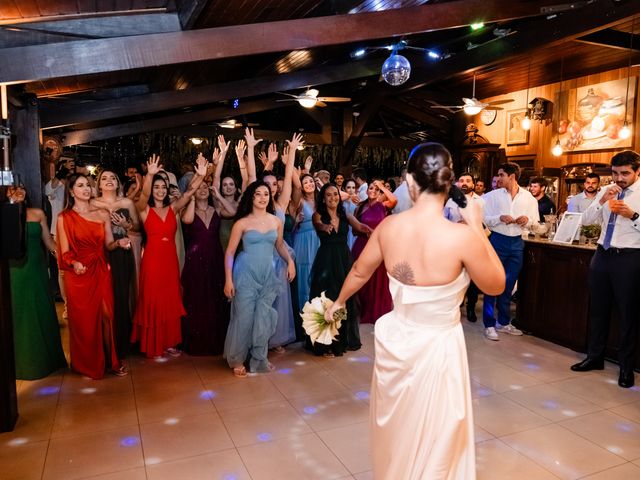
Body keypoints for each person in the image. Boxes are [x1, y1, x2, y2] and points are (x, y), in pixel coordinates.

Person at [325, 142, 504, 480]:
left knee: (398, 427)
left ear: (409, 181)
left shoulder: (389, 229)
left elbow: (360, 272)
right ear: (449, 183)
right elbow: (496, 286)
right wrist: (477, 228)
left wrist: (336, 304)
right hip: (439, 348)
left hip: (397, 342)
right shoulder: (461, 237)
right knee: (438, 431)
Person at [570, 150, 640, 388]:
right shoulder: (604, 190)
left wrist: (633, 215)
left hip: (629, 257)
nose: (619, 178)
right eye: (615, 173)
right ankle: (594, 357)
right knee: (597, 309)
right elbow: (587, 222)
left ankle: (626, 368)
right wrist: (600, 201)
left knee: (627, 314)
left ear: (637, 172)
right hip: (602, 255)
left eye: (625, 173)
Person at [131, 154, 208, 359]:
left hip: (170, 260)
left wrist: (201, 175)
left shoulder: (173, 208)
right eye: (157, 187)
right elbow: (143, 194)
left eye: (163, 187)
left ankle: (170, 342)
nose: (160, 190)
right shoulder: (145, 210)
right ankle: (154, 343)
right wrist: (150, 175)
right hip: (153, 260)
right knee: (153, 300)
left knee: (171, 299)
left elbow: (190, 191)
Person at [57, 174, 130, 378]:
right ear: (72, 191)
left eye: (88, 185)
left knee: (107, 315)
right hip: (78, 274)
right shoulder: (65, 217)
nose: (86, 188)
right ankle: (87, 363)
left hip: (100, 268)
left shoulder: (102, 213)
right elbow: (64, 252)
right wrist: (74, 263)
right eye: (80, 186)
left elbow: (108, 244)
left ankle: (111, 360)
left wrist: (119, 243)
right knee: (85, 321)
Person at [223, 181, 295, 377]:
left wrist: (290, 261)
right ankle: (237, 359)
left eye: (266, 194)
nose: (263, 197)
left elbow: (279, 245)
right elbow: (229, 252)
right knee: (244, 317)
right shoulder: (242, 223)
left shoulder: (275, 221)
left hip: (268, 273)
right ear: (251, 197)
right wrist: (228, 280)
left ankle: (259, 358)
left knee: (263, 317)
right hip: (245, 273)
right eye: (258, 194)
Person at [7, 185, 67, 380]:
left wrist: (66, 257)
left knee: (39, 310)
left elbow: (49, 243)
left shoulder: (37, 213)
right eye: (13, 189)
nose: (19, 191)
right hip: (13, 271)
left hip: (35, 269)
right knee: (18, 313)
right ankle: (19, 364)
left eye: (23, 188)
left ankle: (45, 362)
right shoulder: (4, 214)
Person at [308, 183, 371, 357]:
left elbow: (360, 227)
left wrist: (371, 231)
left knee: (342, 297)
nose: (332, 198)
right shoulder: (318, 215)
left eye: (335, 194)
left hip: (343, 261)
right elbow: (318, 225)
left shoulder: (346, 215)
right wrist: (324, 227)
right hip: (326, 261)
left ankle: (339, 339)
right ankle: (324, 342)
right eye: (328, 195)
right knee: (326, 298)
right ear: (323, 198)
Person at [482, 162, 539, 341]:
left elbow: (536, 223)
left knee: (509, 284)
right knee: (492, 283)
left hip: (517, 242)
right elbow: (484, 219)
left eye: (501, 175)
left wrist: (527, 220)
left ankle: (504, 322)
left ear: (512, 176)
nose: (498, 178)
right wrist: (499, 218)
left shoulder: (528, 197)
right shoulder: (491, 196)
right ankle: (489, 325)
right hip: (497, 241)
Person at [180, 179, 233, 356]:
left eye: (205, 187)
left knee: (214, 297)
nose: (202, 190)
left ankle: (216, 341)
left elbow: (233, 211)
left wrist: (218, 195)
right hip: (195, 259)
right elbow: (187, 220)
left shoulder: (216, 209)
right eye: (198, 188)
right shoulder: (188, 210)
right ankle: (197, 342)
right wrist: (192, 198)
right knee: (197, 298)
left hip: (215, 257)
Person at [261, 133, 303, 351]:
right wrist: (267, 164)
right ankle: (261, 338)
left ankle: (276, 338)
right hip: (260, 258)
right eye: (266, 184)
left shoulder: (280, 205)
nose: (271, 187)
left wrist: (293, 152)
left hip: (279, 257)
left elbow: (289, 180)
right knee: (262, 301)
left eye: (273, 184)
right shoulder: (257, 206)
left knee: (280, 300)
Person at [92, 170, 140, 360]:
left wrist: (127, 224)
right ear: (99, 185)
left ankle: (123, 343)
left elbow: (137, 226)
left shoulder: (127, 203)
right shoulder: (93, 203)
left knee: (122, 296)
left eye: (113, 177)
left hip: (123, 250)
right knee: (104, 298)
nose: (109, 180)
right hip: (101, 252)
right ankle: (106, 343)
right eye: (104, 178)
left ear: (118, 183)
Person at [352, 180, 397, 324]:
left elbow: (393, 199)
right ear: (366, 191)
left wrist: (382, 186)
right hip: (362, 244)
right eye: (371, 188)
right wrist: (364, 231)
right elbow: (354, 230)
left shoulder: (382, 205)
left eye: (376, 190)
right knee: (362, 280)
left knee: (377, 279)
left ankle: (376, 310)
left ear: (379, 193)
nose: (373, 191)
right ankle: (362, 310)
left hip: (379, 246)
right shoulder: (360, 207)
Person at [443, 172, 486, 323]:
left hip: (474, 245)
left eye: (468, 181)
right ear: (457, 184)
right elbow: (443, 222)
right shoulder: (450, 202)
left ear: (473, 184)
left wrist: (471, 224)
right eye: (461, 181)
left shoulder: (481, 201)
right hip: (454, 245)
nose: (464, 183)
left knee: (473, 279)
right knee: (454, 276)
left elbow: (486, 225)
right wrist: (455, 225)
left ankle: (471, 307)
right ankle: (455, 305)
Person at [291, 171, 320, 309]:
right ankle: (305, 310)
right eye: (305, 182)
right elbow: (291, 222)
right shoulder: (300, 201)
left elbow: (340, 197)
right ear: (301, 187)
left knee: (319, 272)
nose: (309, 184)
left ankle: (320, 308)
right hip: (304, 241)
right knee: (305, 272)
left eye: (311, 181)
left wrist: (323, 185)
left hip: (319, 240)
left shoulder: (322, 200)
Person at [343, 179, 359, 249]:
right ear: (344, 188)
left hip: (354, 230)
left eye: (353, 187)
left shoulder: (358, 201)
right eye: (348, 187)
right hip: (343, 231)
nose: (351, 190)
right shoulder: (340, 202)